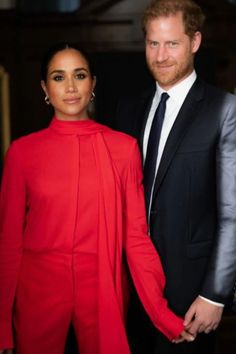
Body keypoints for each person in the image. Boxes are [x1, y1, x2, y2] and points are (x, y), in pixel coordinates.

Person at [0, 43, 194, 354]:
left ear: (93, 84)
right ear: (45, 88)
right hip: (37, 288)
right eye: (58, 77)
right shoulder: (22, 153)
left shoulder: (123, 149)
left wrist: (161, 314)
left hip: (103, 285)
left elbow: (136, 238)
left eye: (79, 75)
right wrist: (1, 329)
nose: (71, 87)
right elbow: (9, 243)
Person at [115, 0, 236, 353]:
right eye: (153, 43)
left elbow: (232, 212)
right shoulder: (128, 108)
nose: (161, 55)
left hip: (192, 294)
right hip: (133, 290)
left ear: (195, 42)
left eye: (172, 43)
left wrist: (214, 294)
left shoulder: (223, 109)